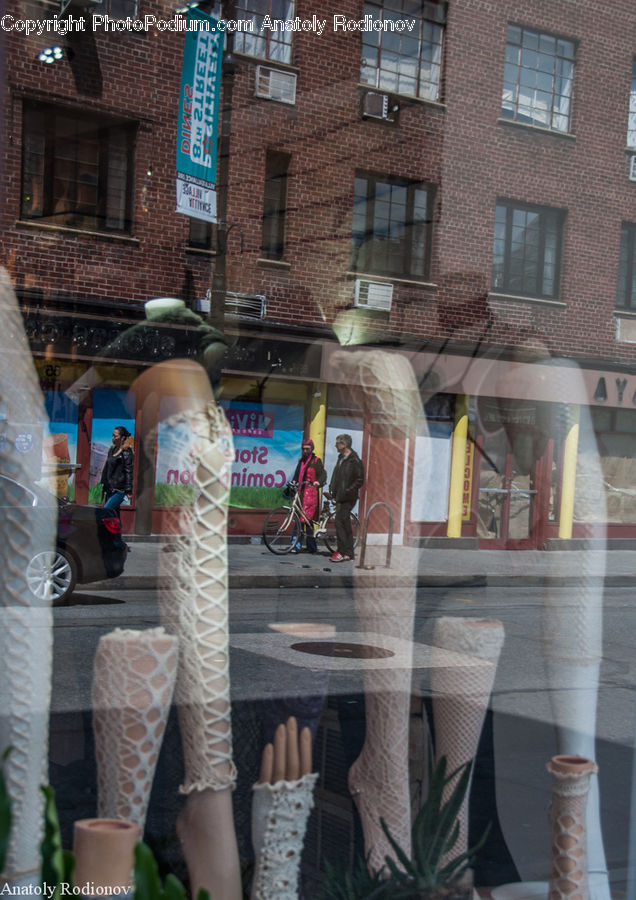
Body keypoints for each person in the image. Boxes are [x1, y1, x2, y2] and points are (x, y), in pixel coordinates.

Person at [327, 433, 364, 562]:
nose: (335, 446)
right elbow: (337, 475)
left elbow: (360, 479)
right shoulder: (341, 458)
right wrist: (332, 488)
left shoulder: (354, 460)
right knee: (346, 524)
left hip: (349, 497)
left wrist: (348, 490)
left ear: (344, 444)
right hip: (340, 496)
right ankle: (349, 553)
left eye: (337, 443)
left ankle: (341, 551)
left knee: (338, 522)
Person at [290, 437, 326, 553]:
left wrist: (318, 482)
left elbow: (323, 475)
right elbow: (296, 474)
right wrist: (294, 481)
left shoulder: (316, 461)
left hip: (311, 495)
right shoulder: (301, 461)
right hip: (300, 494)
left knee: (308, 521)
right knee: (298, 520)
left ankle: (311, 546)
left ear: (312, 449)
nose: (305, 451)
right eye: (303, 449)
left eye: (307, 449)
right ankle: (295, 545)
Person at [100, 425, 134, 513]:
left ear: (122, 438)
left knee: (106, 511)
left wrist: (129, 490)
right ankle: (118, 527)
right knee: (114, 515)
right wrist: (104, 484)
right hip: (110, 488)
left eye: (115, 436)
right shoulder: (112, 450)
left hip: (119, 490)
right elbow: (107, 468)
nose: (113, 438)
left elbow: (128, 471)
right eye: (112, 435)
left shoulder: (126, 452)